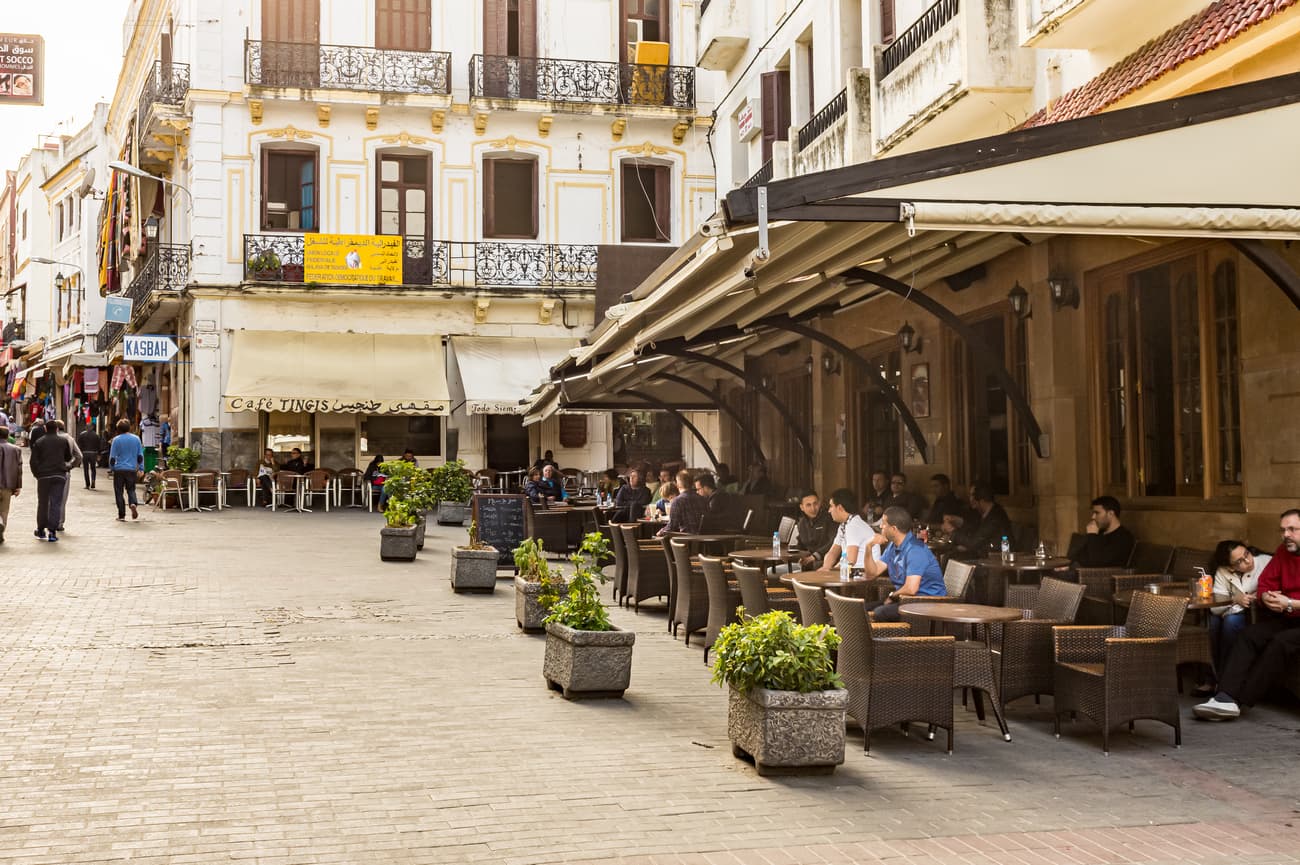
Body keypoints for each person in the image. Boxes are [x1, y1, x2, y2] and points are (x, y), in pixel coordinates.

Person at [1194, 510, 1300, 721]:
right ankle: (1224, 696)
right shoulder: (1282, 553)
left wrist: (1290, 602)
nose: (1286, 534)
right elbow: (1266, 583)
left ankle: (1239, 701)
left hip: (1294, 616)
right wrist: (1267, 597)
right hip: (1286, 617)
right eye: (1282, 530)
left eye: (1292, 529)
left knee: (1279, 643)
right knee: (1249, 635)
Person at [863, 506, 946, 622]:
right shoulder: (893, 546)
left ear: (893, 529)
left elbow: (911, 588)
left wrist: (892, 596)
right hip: (906, 600)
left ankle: (890, 639)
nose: (881, 526)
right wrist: (868, 547)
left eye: (883, 524)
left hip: (927, 602)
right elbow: (872, 573)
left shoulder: (915, 550)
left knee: (880, 612)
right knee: (863, 609)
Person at [1207, 539, 1271, 682]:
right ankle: (1216, 675)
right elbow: (1215, 608)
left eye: (1247, 554)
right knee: (1213, 622)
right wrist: (1235, 599)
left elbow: (1275, 589)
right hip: (1233, 611)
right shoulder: (1222, 572)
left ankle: (1224, 678)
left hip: (1259, 613)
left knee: (1231, 621)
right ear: (1231, 568)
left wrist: (1256, 596)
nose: (1248, 561)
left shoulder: (1266, 562)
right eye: (1239, 561)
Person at [30, 418, 74, 541]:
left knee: (43, 503)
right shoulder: (63, 441)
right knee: (56, 503)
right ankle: (52, 532)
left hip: (44, 476)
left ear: (45, 429)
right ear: (56, 429)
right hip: (59, 475)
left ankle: (40, 530)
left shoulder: (39, 442)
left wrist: (37, 474)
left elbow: (33, 461)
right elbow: (68, 457)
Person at [820, 488, 877, 575]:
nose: (829, 510)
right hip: (851, 573)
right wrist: (825, 568)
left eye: (831, 506)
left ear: (840, 508)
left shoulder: (853, 525)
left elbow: (850, 560)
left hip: (863, 574)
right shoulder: (845, 525)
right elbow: (833, 552)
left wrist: (830, 572)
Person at [1070, 495, 1136, 568]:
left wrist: (1092, 535)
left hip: (1099, 577)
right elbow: (1078, 556)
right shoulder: (1100, 533)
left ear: (1110, 514)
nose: (1093, 517)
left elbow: (1097, 562)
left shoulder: (1123, 537)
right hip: (1080, 573)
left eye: (1097, 513)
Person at [951, 485, 1014, 556]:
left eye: (972, 495)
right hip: (984, 554)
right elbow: (974, 534)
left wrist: (952, 531)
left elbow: (973, 543)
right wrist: (961, 523)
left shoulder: (995, 515)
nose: (971, 499)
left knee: (953, 556)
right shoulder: (982, 513)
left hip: (998, 557)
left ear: (982, 500)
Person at [108, 419, 144, 523]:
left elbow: (112, 457)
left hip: (119, 469)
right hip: (131, 470)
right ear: (129, 427)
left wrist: (112, 468)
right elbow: (140, 456)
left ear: (118, 429)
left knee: (119, 492)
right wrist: (141, 468)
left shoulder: (116, 440)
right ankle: (133, 503)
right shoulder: (136, 439)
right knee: (131, 489)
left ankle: (121, 515)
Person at [52, 421, 83, 533]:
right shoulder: (69, 438)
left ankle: (49, 521)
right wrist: (70, 465)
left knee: (49, 498)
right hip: (64, 471)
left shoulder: (47, 438)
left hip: (48, 472)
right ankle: (59, 523)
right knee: (61, 498)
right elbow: (79, 456)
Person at [793, 490, 835, 571]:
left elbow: (833, 542)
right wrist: (797, 556)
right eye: (808, 505)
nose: (813, 508)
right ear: (802, 507)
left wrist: (815, 556)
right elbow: (801, 544)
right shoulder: (801, 523)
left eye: (815, 503)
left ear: (819, 503)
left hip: (826, 561)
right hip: (809, 562)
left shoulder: (830, 518)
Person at [660, 469, 706, 535]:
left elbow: (671, 526)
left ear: (678, 484)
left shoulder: (677, 501)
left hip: (685, 540)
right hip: (703, 539)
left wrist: (660, 532)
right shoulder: (703, 498)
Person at [0, 425, 21, 544]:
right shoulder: (15, 450)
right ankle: (1, 532)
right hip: (8, 486)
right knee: (4, 511)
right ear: (8, 436)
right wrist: (17, 486)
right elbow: (18, 470)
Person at [77, 425, 102, 490]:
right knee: (93, 468)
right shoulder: (96, 435)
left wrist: (80, 453)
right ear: (92, 428)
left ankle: (87, 484)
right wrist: (99, 454)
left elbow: (79, 444)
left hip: (85, 453)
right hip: (93, 453)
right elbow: (99, 445)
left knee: (86, 469)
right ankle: (93, 480)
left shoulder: (82, 435)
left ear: (86, 428)